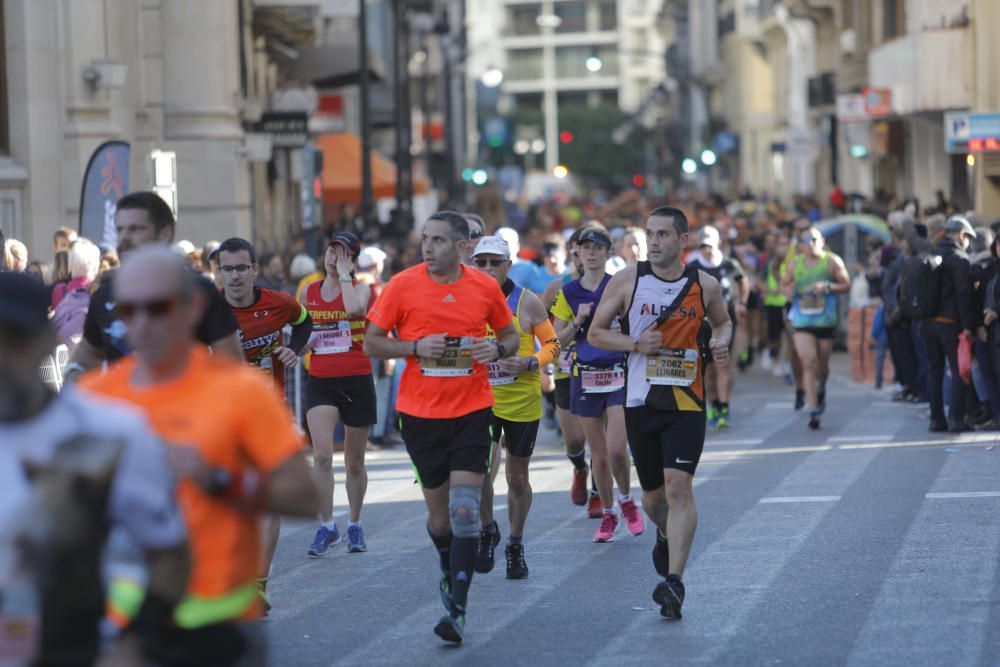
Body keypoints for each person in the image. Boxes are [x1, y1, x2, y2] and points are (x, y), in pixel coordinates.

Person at [81, 246, 319, 666]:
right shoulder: (96, 400)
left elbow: (305, 495)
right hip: (129, 619)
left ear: (191, 311)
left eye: (159, 308)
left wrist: (223, 480)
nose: (143, 321)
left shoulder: (238, 390)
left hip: (219, 618)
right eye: (129, 310)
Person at [0, 271, 190, 667]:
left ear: (47, 341)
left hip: (83, 649)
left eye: (13, 339)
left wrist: (135, 643)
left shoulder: (112, 432)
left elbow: (168, 554)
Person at [364, 211, 519, 644]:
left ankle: (458, 609)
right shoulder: (402, 285)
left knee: (465, 510)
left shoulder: (484, 286)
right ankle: (450, 568)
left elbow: (510, 337)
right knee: (439, 519)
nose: (428, 248)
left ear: (460, 246)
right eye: (424, 240)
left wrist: (495, 347)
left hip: (472, 410)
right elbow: (371, 342)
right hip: (419, 415)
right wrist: (414, 346)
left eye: (437, 241)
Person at [589, 205, 732, 621]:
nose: (654, 241)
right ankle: (665, 531)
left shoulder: (704, 285)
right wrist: (636, 345)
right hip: (640, 402)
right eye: (650, 233)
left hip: (687, 400)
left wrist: (720, 342)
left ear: (682, 241)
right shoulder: (627, 280)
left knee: (678, 488)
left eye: (664, 235)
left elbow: (722, 324)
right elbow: (596, 332)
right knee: (653, 499)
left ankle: (675, 582)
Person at [217, 236, 313, 610]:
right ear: (219, 271)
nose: (236, 276)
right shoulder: (207, 312)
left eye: (243, 268)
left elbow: (304, 323)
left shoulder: (279, 303)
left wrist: (296, 349)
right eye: (228, 269)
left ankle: (258, 583)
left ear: (255, 270)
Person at [63, 191, 242, 383]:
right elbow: (88, 355)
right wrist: (72, 380)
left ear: (165, 234)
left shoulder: (199, 291)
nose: (124, 238)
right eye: (120, 229)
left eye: (135, 229)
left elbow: (232, 367)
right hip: (125, 409)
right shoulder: (105, 296)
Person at [470, 236, 560, 580]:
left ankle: (516, 544)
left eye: (496, 262)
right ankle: (487, 529)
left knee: (517, 478)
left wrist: (529, 363)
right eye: (482, 263)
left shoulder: (527, 302)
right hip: (482, 401)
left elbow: (552, 344)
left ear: (509, 264)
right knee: (480, 473)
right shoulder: (467, 301)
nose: (489, 269)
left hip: (522, 402)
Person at [551, 226, 644, 542]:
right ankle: (608, 513)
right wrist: (577, 322)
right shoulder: (568, 293)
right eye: (585, 248)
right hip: (585, 376)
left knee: (618, 450)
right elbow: (555, 342)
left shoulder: (617, 287)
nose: (591, 253)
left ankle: (628, 501)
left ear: (607, 253)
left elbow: (636, 325)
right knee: (599, 455)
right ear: (577, 253)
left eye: (597, 248)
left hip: (618, 373)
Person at [303, 232, 378, 556]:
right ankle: (327, 524)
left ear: (353, 260)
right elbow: (305, 331)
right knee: (321, 455)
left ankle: (355, 523)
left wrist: (347, 275)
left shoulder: (362, 287)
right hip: (321, 379)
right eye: (331, 252)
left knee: (354, 462)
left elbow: (354, 309)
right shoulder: (309, 292)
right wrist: (300, 345)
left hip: (357, 380)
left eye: (343, 254)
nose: (334, 259)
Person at [541, 228, 592, 512]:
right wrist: (542, 363)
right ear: (572, 253)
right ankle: (579, 468)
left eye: (591, 248)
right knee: (573, 440)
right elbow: (536, 326)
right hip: (564, 370)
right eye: (578, 250)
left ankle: (599, 492)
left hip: (601, 369)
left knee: (602, 440)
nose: (584, 256)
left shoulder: (614, 284)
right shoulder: (556, 288)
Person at [782, 226, 851, 429]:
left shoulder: (831, 261)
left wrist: (827, 287)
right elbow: (785, 285)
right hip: (802, 322)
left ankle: (821, 389)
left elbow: (846, 285)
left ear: (821, 240)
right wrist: (788, 291)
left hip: (825, 321)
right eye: (806, 241)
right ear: (800, 245)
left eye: (814, 239)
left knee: (822, 367)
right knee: (808, 362)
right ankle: (813, 409)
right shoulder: (795, 265)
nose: (810, 244)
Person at [684, 225, 747, 429]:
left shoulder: (729, 264)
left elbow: (743, 281)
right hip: (701, 324)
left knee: (723, 364)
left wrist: (741, 303)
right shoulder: (692, 265)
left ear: (718, 243)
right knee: (707, 370)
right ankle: (713, 405)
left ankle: (724, 408)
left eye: (710, 246)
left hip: (724, 323)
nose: (706, 250)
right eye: (703, 246)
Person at [920, 215, 978, 432]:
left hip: (926, 324)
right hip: (950, 324)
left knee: (934, 370)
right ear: (961, 235)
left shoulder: (930, 255)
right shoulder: (959, 259)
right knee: (957, 369)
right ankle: (956, 418)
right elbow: (964, 296)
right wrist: (968, 326)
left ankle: (936, 419)